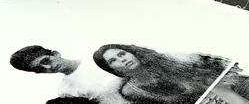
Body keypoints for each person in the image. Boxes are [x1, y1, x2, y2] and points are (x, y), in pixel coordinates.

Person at [92, 43, 232, 104]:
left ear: (132, 53)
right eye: (113, 61)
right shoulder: (130, 91)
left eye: (122, 54)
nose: (122, 59)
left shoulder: (165, 62)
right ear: (112, 70)